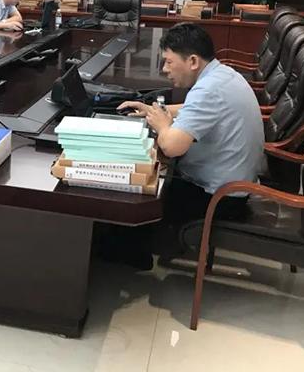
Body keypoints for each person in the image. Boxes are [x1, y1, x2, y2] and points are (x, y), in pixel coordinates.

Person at [109, 23, 265, 267]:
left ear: (192, 61)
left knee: (136, 190)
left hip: (219, 198)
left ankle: (132, 253)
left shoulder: (208, 90)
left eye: (169, 62)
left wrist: (163, 126)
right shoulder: (222, 75)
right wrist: (153, 110)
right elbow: (193, 109)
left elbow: (171, 146)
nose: (164, 69)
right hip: (232, 185)